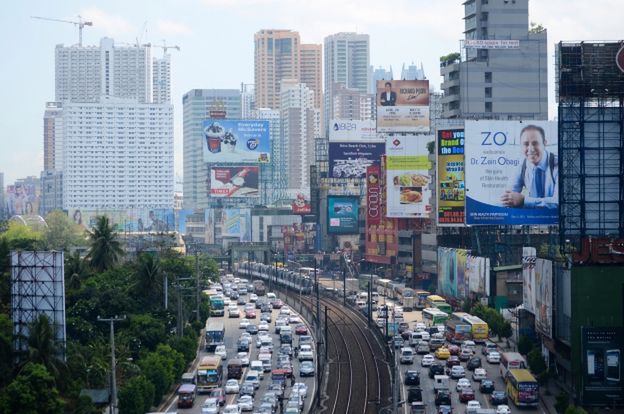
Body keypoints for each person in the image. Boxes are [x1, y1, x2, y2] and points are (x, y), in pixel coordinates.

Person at [500, 124, 558, 209]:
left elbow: (559, 202)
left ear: (544, 144)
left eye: (535, 143)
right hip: (532, 219)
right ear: (521, 146)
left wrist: (524, 200)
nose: (531, 149)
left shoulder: (558, 165)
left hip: (555, 220)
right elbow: (509, 197)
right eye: (526, 144)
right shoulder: (522, 166)